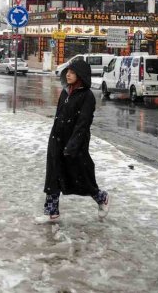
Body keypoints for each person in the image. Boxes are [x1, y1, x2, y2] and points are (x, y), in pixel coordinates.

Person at [36, 60, 110, 224]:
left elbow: (83, 124)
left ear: (80, 76)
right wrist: (54, 137)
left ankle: (101, 197)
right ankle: (51, 212)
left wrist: (73, 145)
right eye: (67, 72)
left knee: (80, 177)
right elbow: (59, 117)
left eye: (72, 72)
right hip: (57, 140)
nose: (68, 75)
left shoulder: (87, 96)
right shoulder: (65, 92)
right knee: (53, 175)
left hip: (75, 144)